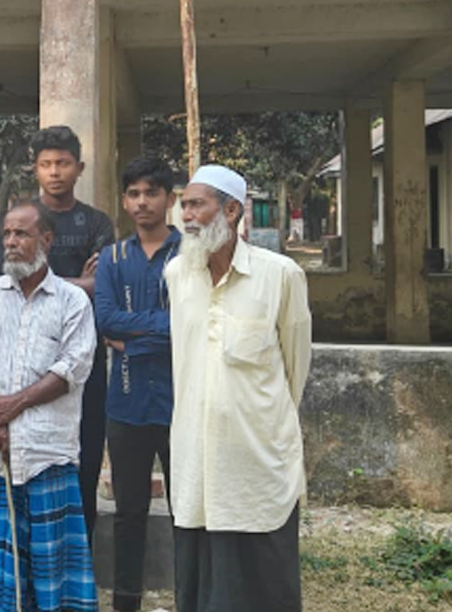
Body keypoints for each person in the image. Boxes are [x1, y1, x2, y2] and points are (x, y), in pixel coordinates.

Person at [163, 164, 312, 612]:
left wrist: (260, 423)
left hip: (257, 459)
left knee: (264, 579)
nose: (186, 215)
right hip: (195, 455)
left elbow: (295, 368)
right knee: (200, 572)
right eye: (183, 205)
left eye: (197, 204)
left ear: (231, 210)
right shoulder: (177, 275)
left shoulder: (281, 275)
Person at [0, 201, 99, 612]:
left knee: (52, 567)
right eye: (6, 233)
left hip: (47, 452)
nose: (11, 242)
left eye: (21, 234)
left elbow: (73, 368)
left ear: (46, 240)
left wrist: (11, 408)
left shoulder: (72, 301)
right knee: (0, 568)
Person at [0, 125, 114, 543]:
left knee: (86, 456)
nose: (55, 171)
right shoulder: (18, 222)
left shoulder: (96, 222)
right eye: (46, 164)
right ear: (35, 169)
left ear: (79, 167)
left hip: (83, 360)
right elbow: (2, 288)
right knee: (24, 460)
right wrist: (76, 280)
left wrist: (44, 281)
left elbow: (104, 286)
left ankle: (81, 556)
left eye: (63, 163)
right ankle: (26, 555)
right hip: (21, 364)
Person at [93, 157, 181, 612]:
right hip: (124, 404)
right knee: (129, 512)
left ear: (169, 198)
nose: (142, 201)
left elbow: (191, 322)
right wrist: (160, 331)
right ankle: (126, 602)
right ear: (125, 201)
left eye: (151, 192)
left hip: (179, 404)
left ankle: (193, 594)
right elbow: (105, 318)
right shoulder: (113, 257)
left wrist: (134, 342)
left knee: (187, 510)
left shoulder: (191, 255)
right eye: (134, 193)